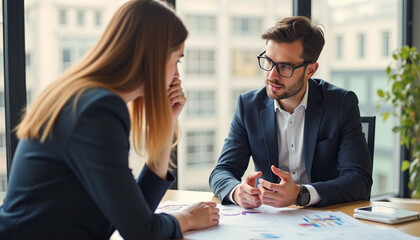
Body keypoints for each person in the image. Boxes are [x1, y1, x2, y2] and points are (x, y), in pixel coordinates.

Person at [0, 0, 219, 239]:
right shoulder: (99, 110)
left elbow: (133, 214)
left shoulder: (87, 97)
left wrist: (167, 123)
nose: (177, 75)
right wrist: (186, 218)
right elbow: (141, 231)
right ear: (154, 57)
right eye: (177, 60)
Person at [209, 16, 372, 209]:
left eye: (285, 66)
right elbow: (222, 172)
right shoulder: (248, 106)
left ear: (310, 70)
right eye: (268, 61)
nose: (272, 75)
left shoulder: (341, 104)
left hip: (325, 218)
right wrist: (237, 192)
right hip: (270, 223)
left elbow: (359, 180)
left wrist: (301, 195)